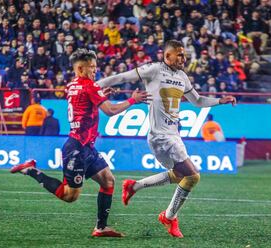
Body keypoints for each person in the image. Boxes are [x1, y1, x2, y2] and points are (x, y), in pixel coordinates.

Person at [97, 40, 236, 238]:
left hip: (174, 135)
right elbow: (122, 77)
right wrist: (94, 87)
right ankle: (169, 217)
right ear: (166, 56)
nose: (183, 58)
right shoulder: (153, 70)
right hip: (160, 136)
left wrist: (220, 101)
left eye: (184, 54)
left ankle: (133, 186)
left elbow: (197, 101)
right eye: (179, 54)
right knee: (193, 176)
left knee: (180, 175)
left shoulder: (182, 77)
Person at [10, 49, 150, 237]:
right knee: (69, 196)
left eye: (95, 66)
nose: (95, 71)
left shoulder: (72, 85)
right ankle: (31, 170)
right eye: (91, 67)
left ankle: (100, 228)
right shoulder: (89, 86)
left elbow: (83, 103)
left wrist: (100, 95)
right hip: (76, 148)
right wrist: (133, 100)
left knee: (108, 181)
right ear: (80, 68)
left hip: (86, 146)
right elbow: (109, 111)